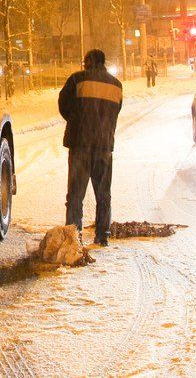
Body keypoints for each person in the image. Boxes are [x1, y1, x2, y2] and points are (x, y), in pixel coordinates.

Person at [58, 49, 123, 247]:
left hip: (80, 144)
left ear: (87, 61)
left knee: (76, 194)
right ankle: (102, 235)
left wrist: (78, 121)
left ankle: (73, 236)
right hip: (103, 145)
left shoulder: (77, 79)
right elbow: (116, 110)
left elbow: (63, 105)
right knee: (103, 193)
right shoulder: (116, 85)